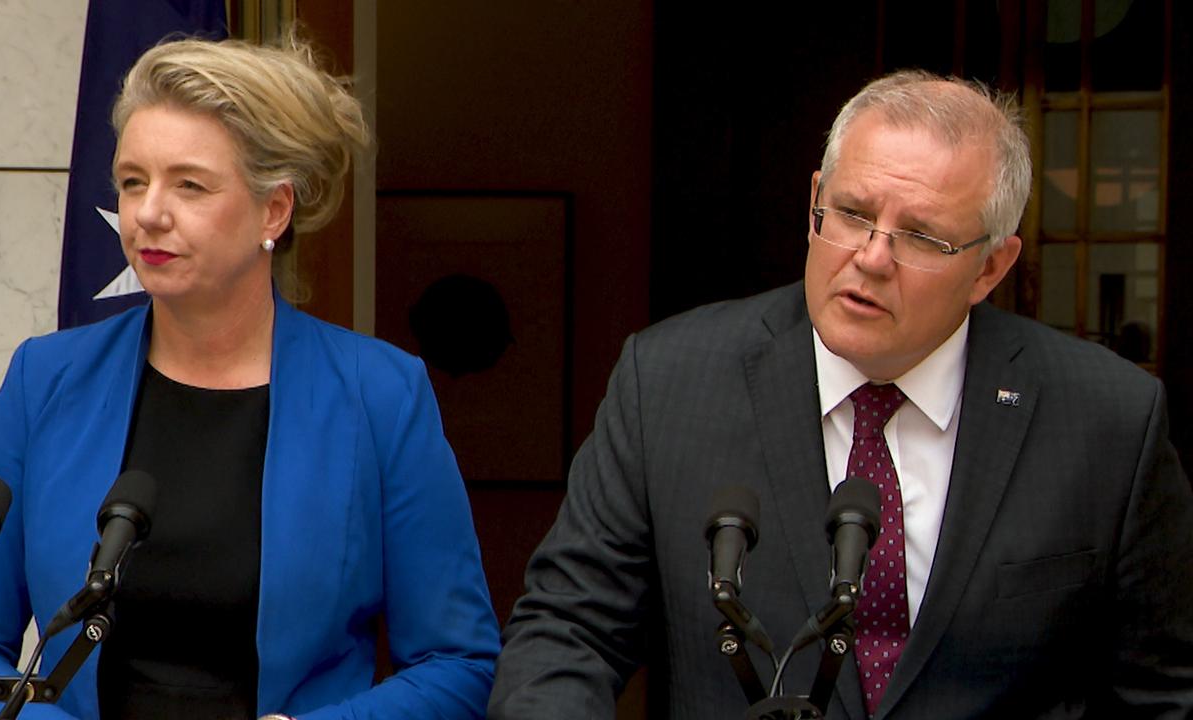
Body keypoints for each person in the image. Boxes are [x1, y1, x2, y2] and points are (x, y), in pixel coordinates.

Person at [488, 70, 1193, 719]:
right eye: (852, 213)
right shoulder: (669, 380)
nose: (871, 258)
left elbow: (1160, 693)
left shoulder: (1107, 419)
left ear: (990, 267)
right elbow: (568, 632)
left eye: (920, 236)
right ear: (813, 204)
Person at [0, 32, 499, 720]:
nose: (148, 213)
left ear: (273, 210)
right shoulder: (47, 378)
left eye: (189, 184)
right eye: (133, 182)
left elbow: (457, 663)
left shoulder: (381, 395)